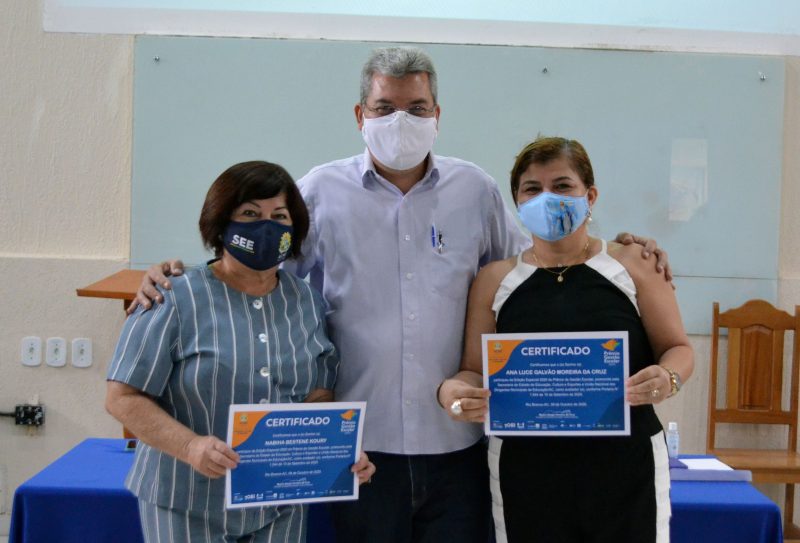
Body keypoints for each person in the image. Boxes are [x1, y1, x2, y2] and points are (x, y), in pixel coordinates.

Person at [131, 49, 671, 543]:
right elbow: (259, 275)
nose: (401, 121)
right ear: (360, 115)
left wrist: (623, 247)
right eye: (385, 108)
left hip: (458, 445)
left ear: (437, 114)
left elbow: (539, 265)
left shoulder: (475, 191)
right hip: (360, 448)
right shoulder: (319, 191)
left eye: (416, 108)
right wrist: (181, 272)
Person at [437, 136, 694, 543]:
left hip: (627, 468)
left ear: (589, 196)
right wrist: (451, 392)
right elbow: (472, 371)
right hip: (526, 473)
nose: (547, 198)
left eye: (562, 186)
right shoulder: (494, 279)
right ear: (517, 203)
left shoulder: (634, 263)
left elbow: (678, 348)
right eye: (532, 189)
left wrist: (669, 378)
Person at [105, 161, 375, 543]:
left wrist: (337, 453)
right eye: (250, 213)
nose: (267, 226)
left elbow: (317, 395)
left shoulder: (306, 302)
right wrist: (190, 446)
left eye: (279, 216)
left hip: (278, 501)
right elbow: (122, 397)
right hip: (187, 500)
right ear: (220, 223)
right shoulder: (173, 296)